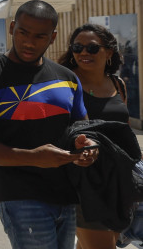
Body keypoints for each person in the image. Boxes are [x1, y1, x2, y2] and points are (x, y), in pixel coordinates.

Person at [0, 0, 98, 249]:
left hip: (65, 194)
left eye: (40, 36)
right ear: (12, 28)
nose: (29, 42)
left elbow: (82, 129)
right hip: (19, 194)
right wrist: (32, 157)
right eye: (23, 32)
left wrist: (87, 146)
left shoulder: (67, 78)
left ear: (53, 37)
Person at [57, 24, 127, 249]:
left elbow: (122, 130)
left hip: (117, 179)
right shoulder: (65, 84)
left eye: (92, 48)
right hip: (82, 180)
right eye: (77, 47)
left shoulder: (118, 84)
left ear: (109, 52)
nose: (84, 52)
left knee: (99, 243)